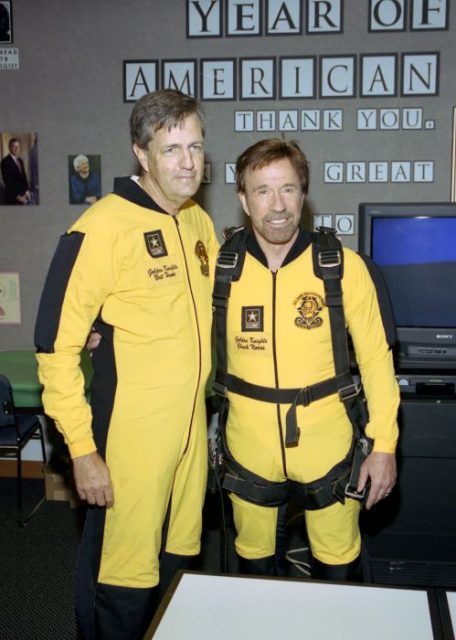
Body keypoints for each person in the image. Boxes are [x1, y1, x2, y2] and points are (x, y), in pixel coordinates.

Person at [34, 89, 219, 640]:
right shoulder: (100, 229)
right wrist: (83, 452)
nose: (188, 162)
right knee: (120, 590)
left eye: (196, 146)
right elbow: (55, 348)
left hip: (187, 452)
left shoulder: (198, 225)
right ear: (142, 154)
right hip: (127, 452)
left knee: (173, 581)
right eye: (172, 149)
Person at [212, 138, 400, 581]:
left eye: (289, 189)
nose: (277, 205)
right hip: (247, 452)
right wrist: (102, 331)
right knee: (256, 575)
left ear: (304, 194)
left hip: (329, 453)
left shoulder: (341, 266)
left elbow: (376, 361)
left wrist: (385, 446)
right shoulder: (221, 268)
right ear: (243, 198)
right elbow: (173, 329)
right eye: (262, 191)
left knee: (338, 576)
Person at [0, 138, 32, 205]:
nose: (17, 148)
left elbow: (24, 177)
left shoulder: (20, 160)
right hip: (12, 198)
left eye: (18, 146)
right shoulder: (5, 161)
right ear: (9, 147)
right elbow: (8, 182)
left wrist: (26, 191)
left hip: (23, 194)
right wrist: (19, 197)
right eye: (14, 146)